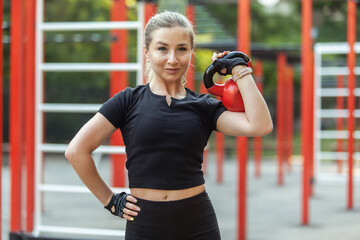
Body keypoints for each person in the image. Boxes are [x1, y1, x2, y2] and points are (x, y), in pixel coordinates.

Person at [65, 11, 272, 240]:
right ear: (147, 52)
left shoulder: (203, 106)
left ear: (191, 53)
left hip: (198, 223)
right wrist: (110, 201)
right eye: (162, 48)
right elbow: (76, 151)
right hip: (145, 224)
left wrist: (239, 68)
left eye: (182, 49)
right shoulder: (128, 101)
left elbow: (259, 125)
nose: (172, 59)